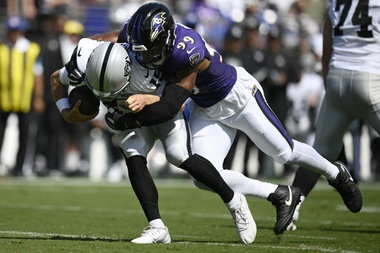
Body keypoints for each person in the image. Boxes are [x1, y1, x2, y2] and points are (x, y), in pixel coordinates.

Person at [122, 1, 362, 227]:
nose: (145, 56)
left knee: (284, 152)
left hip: (236, 96)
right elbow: (117, 42)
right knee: (205, 175)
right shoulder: (140, 37)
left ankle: (336, 173)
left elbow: (171, 104)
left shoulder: (186, 49)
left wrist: (129, 117)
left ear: (166, 39)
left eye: (151, 49)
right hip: (205, 108)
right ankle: (280, 194)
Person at [51, 39, 257, 244]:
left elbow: (174, 103)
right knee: (132, 149)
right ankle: (157, 226)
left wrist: (150, 99)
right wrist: (66, 112)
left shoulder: (146, 66)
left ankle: (234, 201)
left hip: (161, 110)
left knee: (178, 155)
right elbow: (55, 80)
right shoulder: (84, 62)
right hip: (127, 112)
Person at [288, 0, 380, 230]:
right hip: (371, 77)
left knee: (320, 152)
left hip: (337, 77)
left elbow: (327, 46)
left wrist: (330, 84)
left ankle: (289, 207)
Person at [0, 16, 45, 177]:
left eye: (16, 31)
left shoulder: (32, 49)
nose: (13, 34)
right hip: (4, 99)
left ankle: (20, 168)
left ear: (22, 32)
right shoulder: (2, 49)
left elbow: (38, 74)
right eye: (11, 31)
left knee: (25, 135)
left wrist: (39, 97)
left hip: (25, 99)